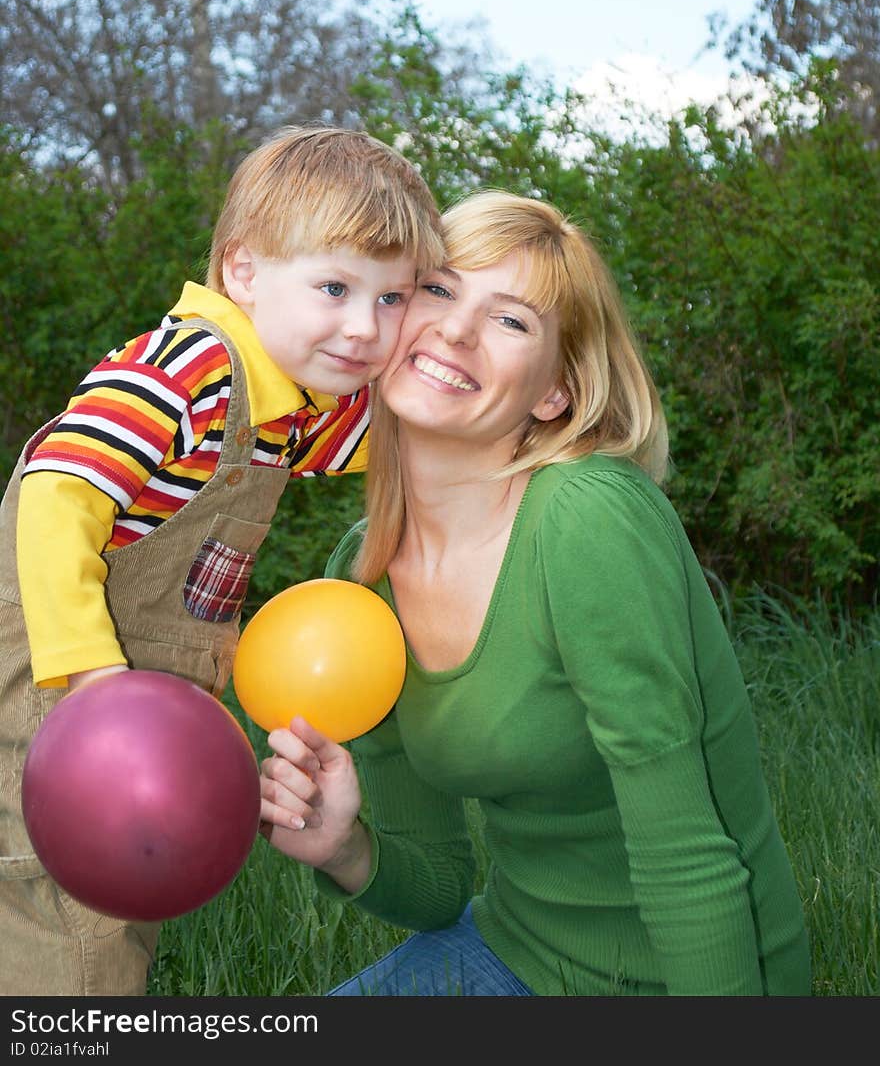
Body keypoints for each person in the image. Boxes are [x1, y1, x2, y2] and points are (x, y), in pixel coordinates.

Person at [258, 189, 813, 997]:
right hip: (512, 952)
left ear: (553, 392)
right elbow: (441, 885)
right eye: (439, 289)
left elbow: (688, 855)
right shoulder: (363, 579)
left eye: (511, 320)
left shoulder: (588, 521)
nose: (454, 328)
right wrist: (345, 848)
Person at [0, 125, 444, 998]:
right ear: (242, 271)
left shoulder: (288, 403)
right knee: (75, 955)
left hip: (135, 740)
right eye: (334, 286)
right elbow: (56, 496)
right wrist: (92, 679)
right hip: (54, 713)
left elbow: (393, 438)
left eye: (393, 300)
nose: (364, 327)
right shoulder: (189, 366)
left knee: (91, 931)